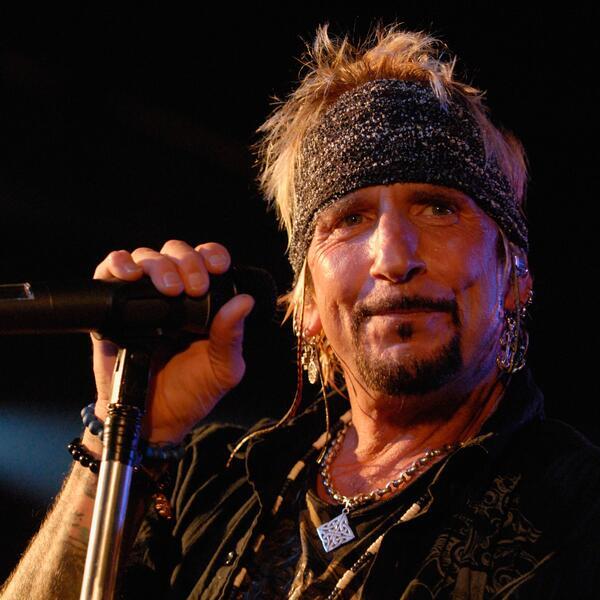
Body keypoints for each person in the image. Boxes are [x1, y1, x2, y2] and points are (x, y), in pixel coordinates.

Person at [2, 22, 600, 600]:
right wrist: (125, 431)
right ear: (307, 301)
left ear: (515, 274)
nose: (394, 257)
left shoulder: (575, 513)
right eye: (350, 219)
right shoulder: (208, 483)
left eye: (438, 208)